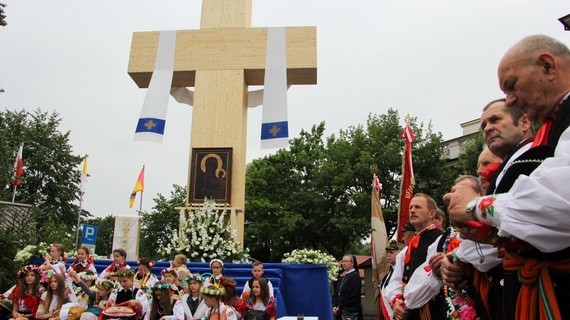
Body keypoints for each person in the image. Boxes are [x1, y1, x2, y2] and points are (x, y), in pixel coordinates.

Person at [443, 34, 570, 319]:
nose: (510, 99)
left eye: (511, 86)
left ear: (549, 67)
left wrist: (474, 205)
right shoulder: (554, 127)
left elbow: (558, 203)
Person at [383, 193, 444, 320]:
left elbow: (427, 281)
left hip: (432, 311)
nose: (412, 210)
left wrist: (405, 303)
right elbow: (395, 279)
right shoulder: (407, 249)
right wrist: (396, 300)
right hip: (409, 312)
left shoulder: (441, 240)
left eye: (418, 207)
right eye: (411, 207)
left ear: (432, 214)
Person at [332, 255, 362, 320]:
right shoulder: (343, 277)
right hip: (339, 311)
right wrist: (334, 305)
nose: (344, 263)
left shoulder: (355, 277)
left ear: (352, 263)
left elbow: (351, 296)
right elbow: (337, 293)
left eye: (346, 261)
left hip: (350, 312)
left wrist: (339, 307)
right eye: (343, 261)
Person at [379, 241, 399, 320]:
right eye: (387, 252)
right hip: (386, 310)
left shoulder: (400, 271)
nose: (388, 255)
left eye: (391, 252)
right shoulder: (389, 272)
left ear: (398, 254)